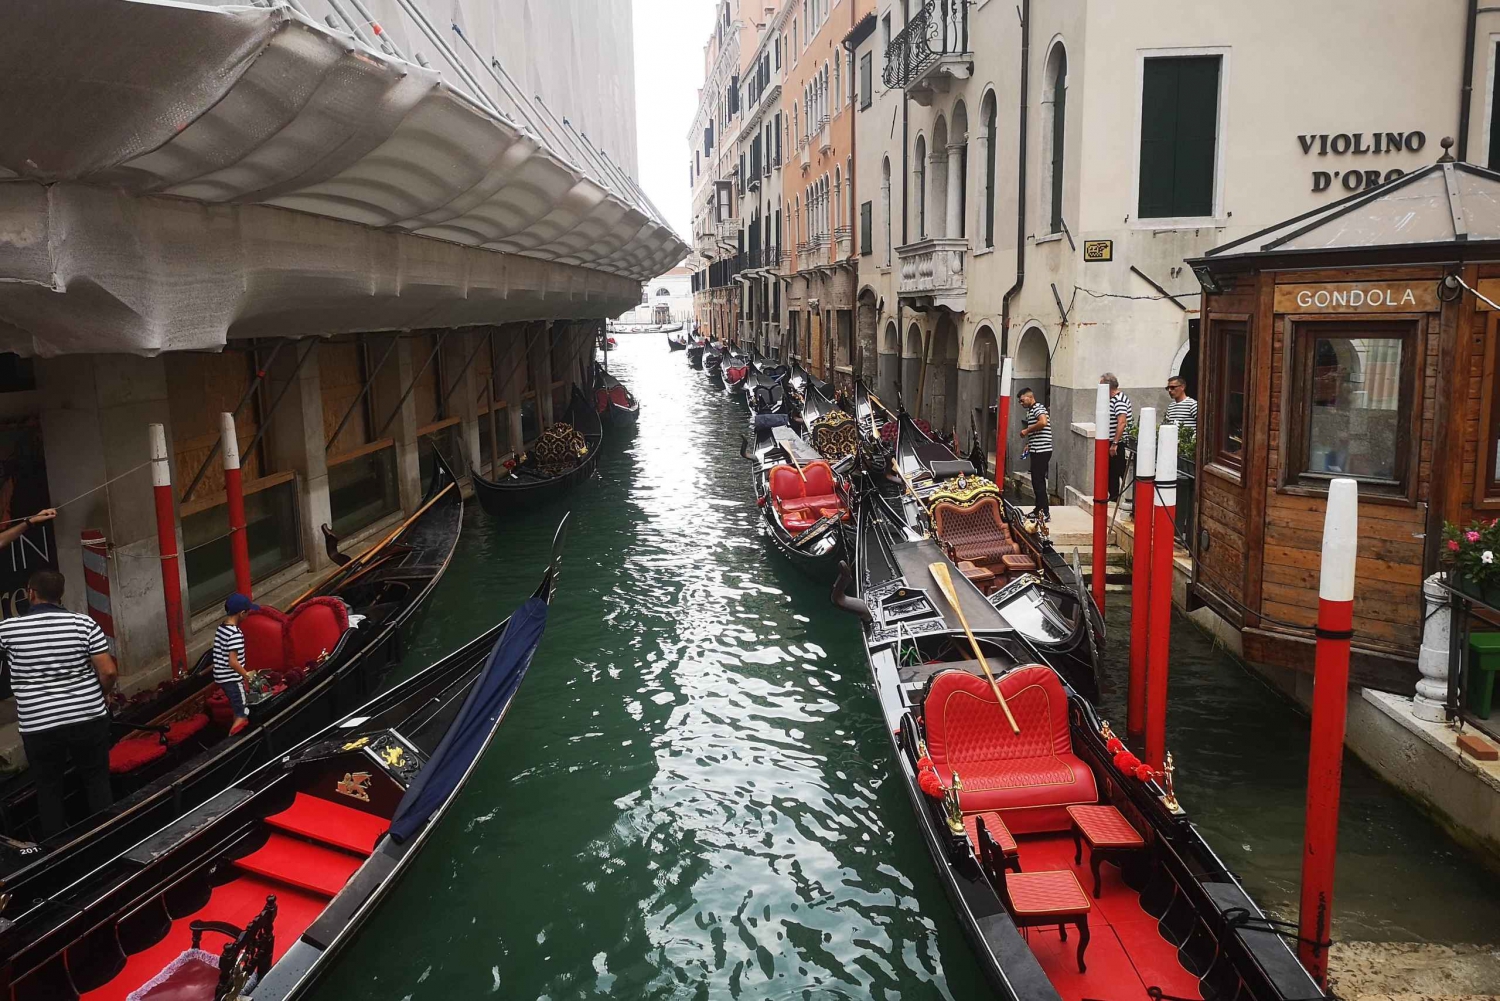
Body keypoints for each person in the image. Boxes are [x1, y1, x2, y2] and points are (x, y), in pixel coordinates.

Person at [0, 569, 116, 837]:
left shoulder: (8, 629)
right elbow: (108, 671)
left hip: (39, 725)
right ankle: (107, 838)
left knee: (48, 787)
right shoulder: (84, 624)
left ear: (31, 593)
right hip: (87, 717)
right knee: (96, 780)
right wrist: (100, 694)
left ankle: (56, 848)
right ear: (59, 595)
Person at [214, 592, 259, 736]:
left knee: (237, 707)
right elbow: (233, 661)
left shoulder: (222, 628)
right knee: (243, 713)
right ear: (242, 613)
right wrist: (247, 675)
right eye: (248, 612)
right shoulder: (235, 634)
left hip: (221, 677)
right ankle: (233, 739)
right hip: (231, 678)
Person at [1017, 387, 1052, 519]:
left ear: (1029, 397)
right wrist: (1029, 444)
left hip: (1042, 450)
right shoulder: (1031, 411)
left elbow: (1043, 422)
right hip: (1037, 448)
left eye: (1022, 400)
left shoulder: (1038, 408)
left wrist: (1027, 430)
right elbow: (1038, 432)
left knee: (1038, 481)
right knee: (1037, 481)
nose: (1021, 403)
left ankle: (1043, 512)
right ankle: (1040, 509)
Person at [1101, 373, 1134, 502]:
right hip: (1113, 442)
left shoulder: (1119, 400)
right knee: (1111, 472)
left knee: (1120, 470)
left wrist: (1115, 443)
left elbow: (1122, 422)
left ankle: (1128, 500)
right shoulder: (1113, 399)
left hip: (1118, 443)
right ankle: (1114, 497)